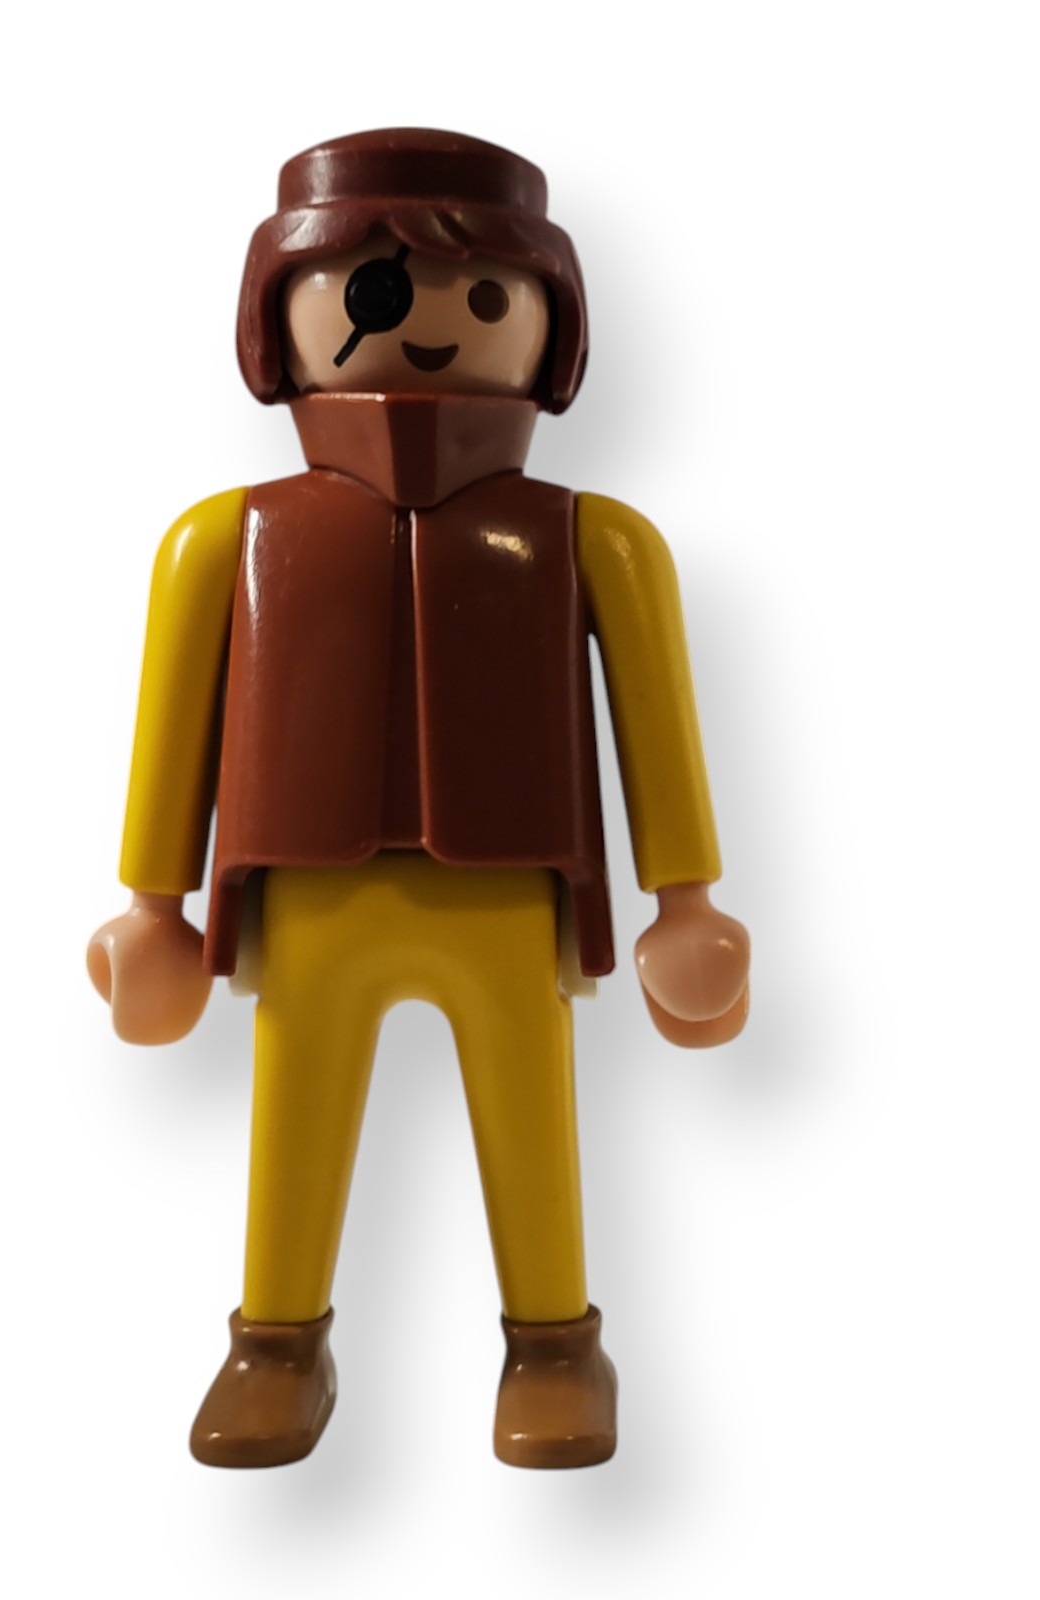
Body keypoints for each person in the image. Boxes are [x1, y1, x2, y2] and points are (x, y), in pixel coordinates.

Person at [87, 128, 750, 1469]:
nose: (432, 326)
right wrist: (151, 906)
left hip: (510, 890)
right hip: (307, 894)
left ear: (553, 328)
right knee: (296, 1113)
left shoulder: (597, 540)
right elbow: (174, 726)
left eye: (488, 295)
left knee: (531, 1112)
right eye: (377, 290)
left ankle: (554, 1342)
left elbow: (656, 722)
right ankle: (277, 1341)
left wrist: (688, 899)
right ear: (276, 316)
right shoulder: (222, 540)